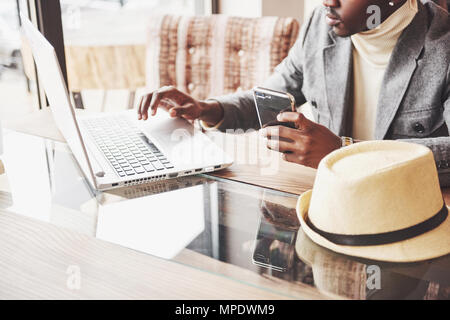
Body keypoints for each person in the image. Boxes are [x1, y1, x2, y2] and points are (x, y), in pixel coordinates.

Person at [138, 0, 450, 186]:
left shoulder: (444, 44)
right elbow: (269, 97)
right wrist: (207, 108)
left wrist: (343, 152)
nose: (327, 0)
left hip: (411, 210)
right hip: (330, 198)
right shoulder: (321, 25)